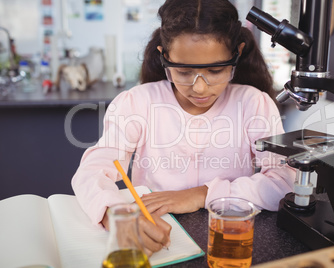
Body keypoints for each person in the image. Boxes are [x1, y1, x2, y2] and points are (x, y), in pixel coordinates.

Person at [72, 0, 296, 255]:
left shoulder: (254, 104)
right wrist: (114, 215)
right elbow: (92, 170)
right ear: (164, 56)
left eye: (215, 70)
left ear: (237, 54)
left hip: (228, 238)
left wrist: (202, 194)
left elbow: (283, 183)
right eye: (184, 72)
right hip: (157, 234)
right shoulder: (137, 102)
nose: (200, 88)